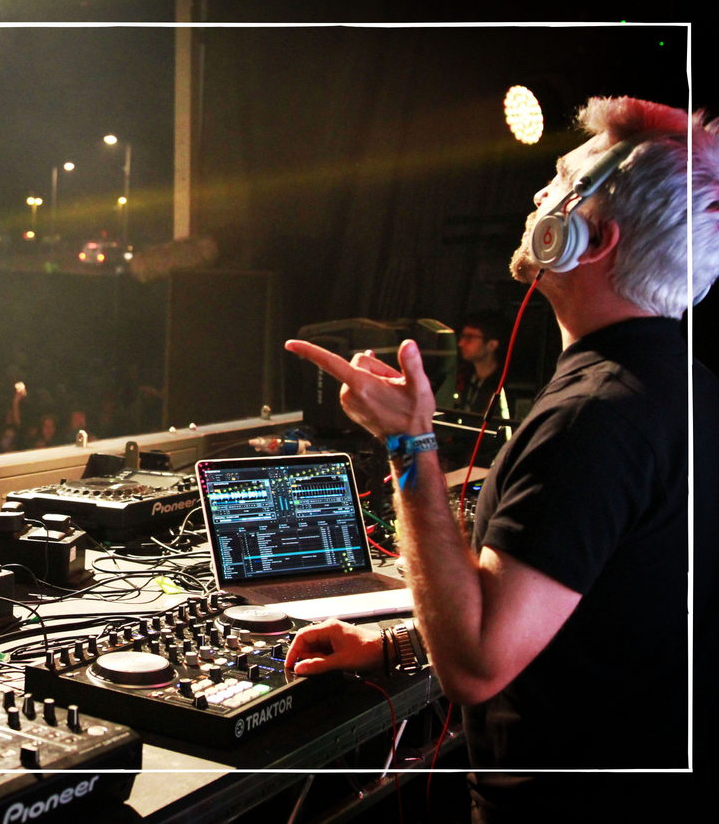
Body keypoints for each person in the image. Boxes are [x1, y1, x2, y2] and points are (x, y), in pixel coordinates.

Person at [285, 97, 718, 821]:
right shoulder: (684, 384)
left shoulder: (594, 418)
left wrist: (410, 446)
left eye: (556, 185)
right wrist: (391, 646)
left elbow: (479, 663)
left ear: (587, 235)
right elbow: (577, 614)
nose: (537, 199)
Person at [452, 311, 508, 418]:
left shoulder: (503, 387)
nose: (461, 343)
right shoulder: (462, 378)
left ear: (492, 345)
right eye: (462, 336)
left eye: (469, 338)